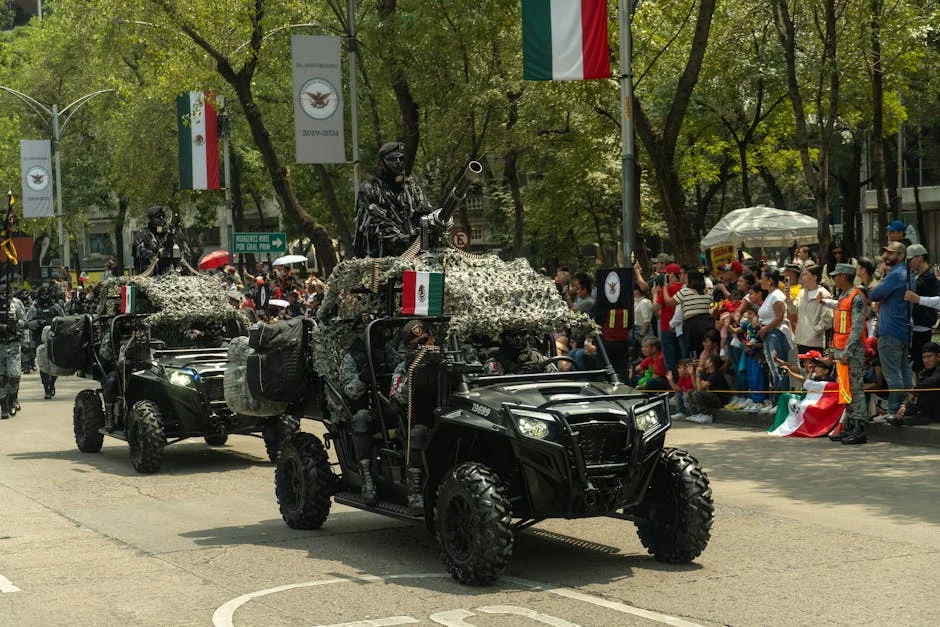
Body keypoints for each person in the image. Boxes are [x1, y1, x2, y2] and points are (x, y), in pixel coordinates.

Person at [389, 320, 438, 515]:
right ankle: (415, 493)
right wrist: (414, 376)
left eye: (425, 340)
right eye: (417, 344)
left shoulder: (449, 359)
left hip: (449, 417)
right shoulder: (405, 367)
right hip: (417, 421)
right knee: (418, 434)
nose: (423, 346)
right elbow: (395, 399)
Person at [354, 142, 434, 258]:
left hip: (416, 257)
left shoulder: (412, 188)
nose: (398, 163)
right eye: (392, 159)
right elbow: (374, 226)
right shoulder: (370, 189)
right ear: (381, 162)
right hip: (381, 261)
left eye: (401, 158)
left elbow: (426, 214)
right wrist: (402, 241)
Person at [819, 264, 869, 444]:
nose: (834, 279)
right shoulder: (842, 296)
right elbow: (838, 326)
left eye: (837, 276)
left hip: (851, 350)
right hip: (841, 348)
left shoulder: (856, 297)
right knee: (845, 388)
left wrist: (848, 351)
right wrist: (834, 350)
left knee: (855, 388)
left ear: (845, 277)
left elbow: (857, 327)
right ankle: (849, 425)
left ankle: (859, 428)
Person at [868, 241, 913, 420]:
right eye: (886, 252)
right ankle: (907, 408)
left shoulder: (895, 275)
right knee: (904, 373)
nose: (887, 256)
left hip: (891, 331)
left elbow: (875, 294)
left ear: (901, 256)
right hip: (903, 330)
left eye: (891, 253)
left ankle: (893, 411)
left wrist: (881, 279)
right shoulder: (909, 274)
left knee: (893, 374)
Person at [902, 244, 937, 376]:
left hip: (922, 324)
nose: (909, 263)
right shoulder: (917, 276)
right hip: (915, 323)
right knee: (916, 362)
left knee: (922, 362)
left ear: (920, 258)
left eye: (910, 259)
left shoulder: (929, 277)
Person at [758, 267, 793, 392]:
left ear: (770, 280)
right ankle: (776, 399)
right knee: (773, 368)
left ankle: (783, 396)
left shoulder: (777, 295)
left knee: (779, 367)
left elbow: (780, 316)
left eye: (762, 278)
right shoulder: (770, 296)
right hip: (768, 333)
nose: (760, 281)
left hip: (776, 333)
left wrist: (765, 329)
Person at [27, 286, 66, 399]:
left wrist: (55, 324)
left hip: (54, 339)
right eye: (42, 294)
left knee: (56, 364)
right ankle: (46, 389)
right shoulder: (34, 308)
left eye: (46, 294)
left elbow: (64, 321)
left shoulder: (56, 307)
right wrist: (38, 322)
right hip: (40, 340)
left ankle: (52, 382)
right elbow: (28, 322)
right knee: (43, 366)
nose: (44, 297)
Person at [889, 341, 940, 425]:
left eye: (929, 356)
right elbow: (917, 389)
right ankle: (904, 413)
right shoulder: (925, 371)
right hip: (930, 407)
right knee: (916, 394)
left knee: (927, 389)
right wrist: (905, 405)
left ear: (938, 356)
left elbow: (932, 381)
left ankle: (912, 416)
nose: (926, 360)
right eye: (924, 357)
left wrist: (914, 390)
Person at [790, 264, 832, 354]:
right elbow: (793, 310)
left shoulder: (824, 294)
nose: (803, 277)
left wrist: (816, 330)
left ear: (815, 277)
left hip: (815, 342)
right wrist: (788, 300)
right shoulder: (801, 293)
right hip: (800, 339)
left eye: (806, 275)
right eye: (803, 275)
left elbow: (828, 318)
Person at [0, 283, 26, 419]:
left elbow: (24, 321)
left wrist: (15, 325)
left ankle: (13, 399)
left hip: (13, 344)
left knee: (14, 375)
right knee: (2, 378)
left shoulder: (17, 304)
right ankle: (4, 407)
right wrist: (3, 327)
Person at [483, 329, 552, 375]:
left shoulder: (541, 358)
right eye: (512, 335)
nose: (518, 338)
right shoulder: (494, 363)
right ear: (503, 337)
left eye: (522, 334)